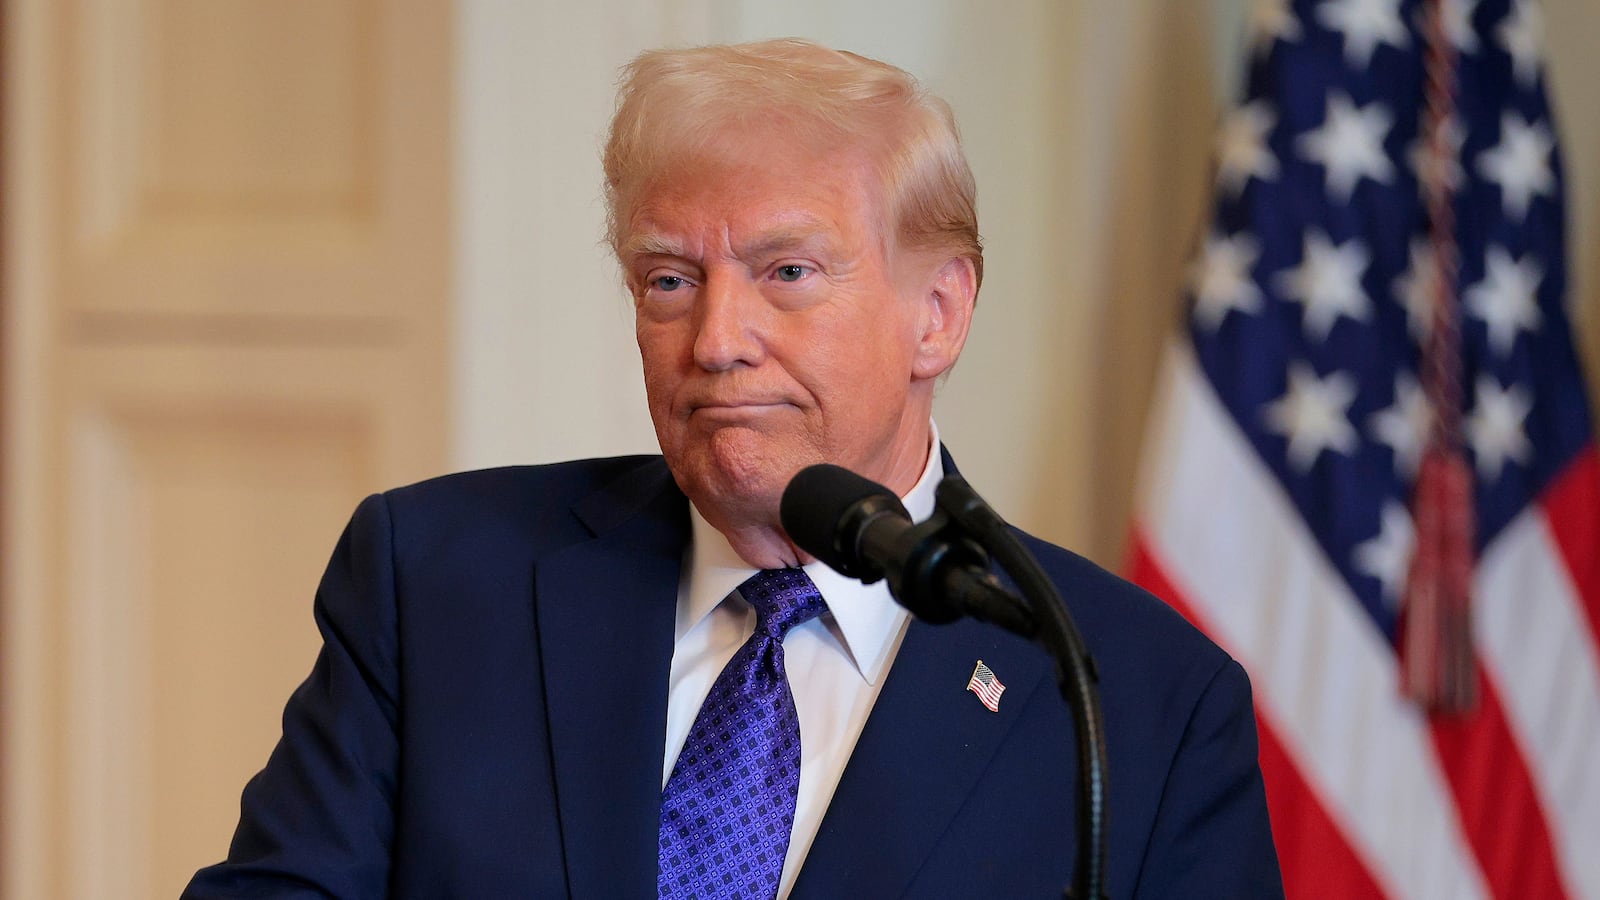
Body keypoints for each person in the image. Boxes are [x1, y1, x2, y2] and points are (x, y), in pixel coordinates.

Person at [185, 39, 1282, 899]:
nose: (714, 339)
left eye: (787, 271)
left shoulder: (1134, 704)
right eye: (667, 280)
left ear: (936, 316)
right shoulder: (435, 581)